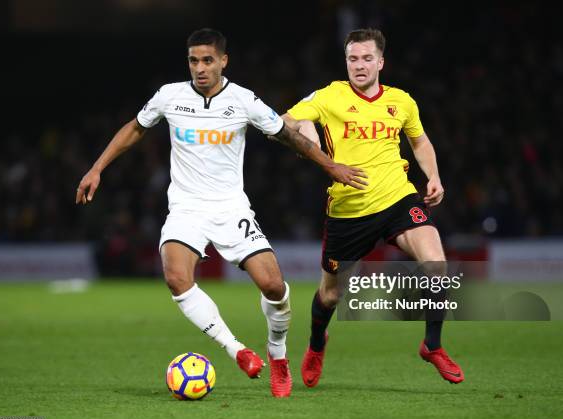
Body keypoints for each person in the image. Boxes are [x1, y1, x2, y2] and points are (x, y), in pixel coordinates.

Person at [75, 28, 366, 398]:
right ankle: (237, 350)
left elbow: (288, 135)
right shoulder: (170, 96)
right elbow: (135, 128)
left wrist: (330, 166)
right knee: (176, 276)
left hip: (231, 208)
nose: (200, 68)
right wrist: (96, 168)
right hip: (186, 207)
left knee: (274, 286)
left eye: (208, 60)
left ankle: (277, 356)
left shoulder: (243, 101)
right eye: (194, 61)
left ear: (223, 61)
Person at [282, 28, 464, 387]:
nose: (359, 65)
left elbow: (420, 141)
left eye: (367, 58)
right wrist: (309, 136)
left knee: (437, 265)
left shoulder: (401, 101)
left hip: (398, 198)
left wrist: (434, 177)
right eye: (353, 58)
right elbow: (285, 121)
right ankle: (317, 344)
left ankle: (432, 345)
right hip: (349, 210)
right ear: (346, 62)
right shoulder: (329, 96)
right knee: (331, 294)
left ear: (381, 62)